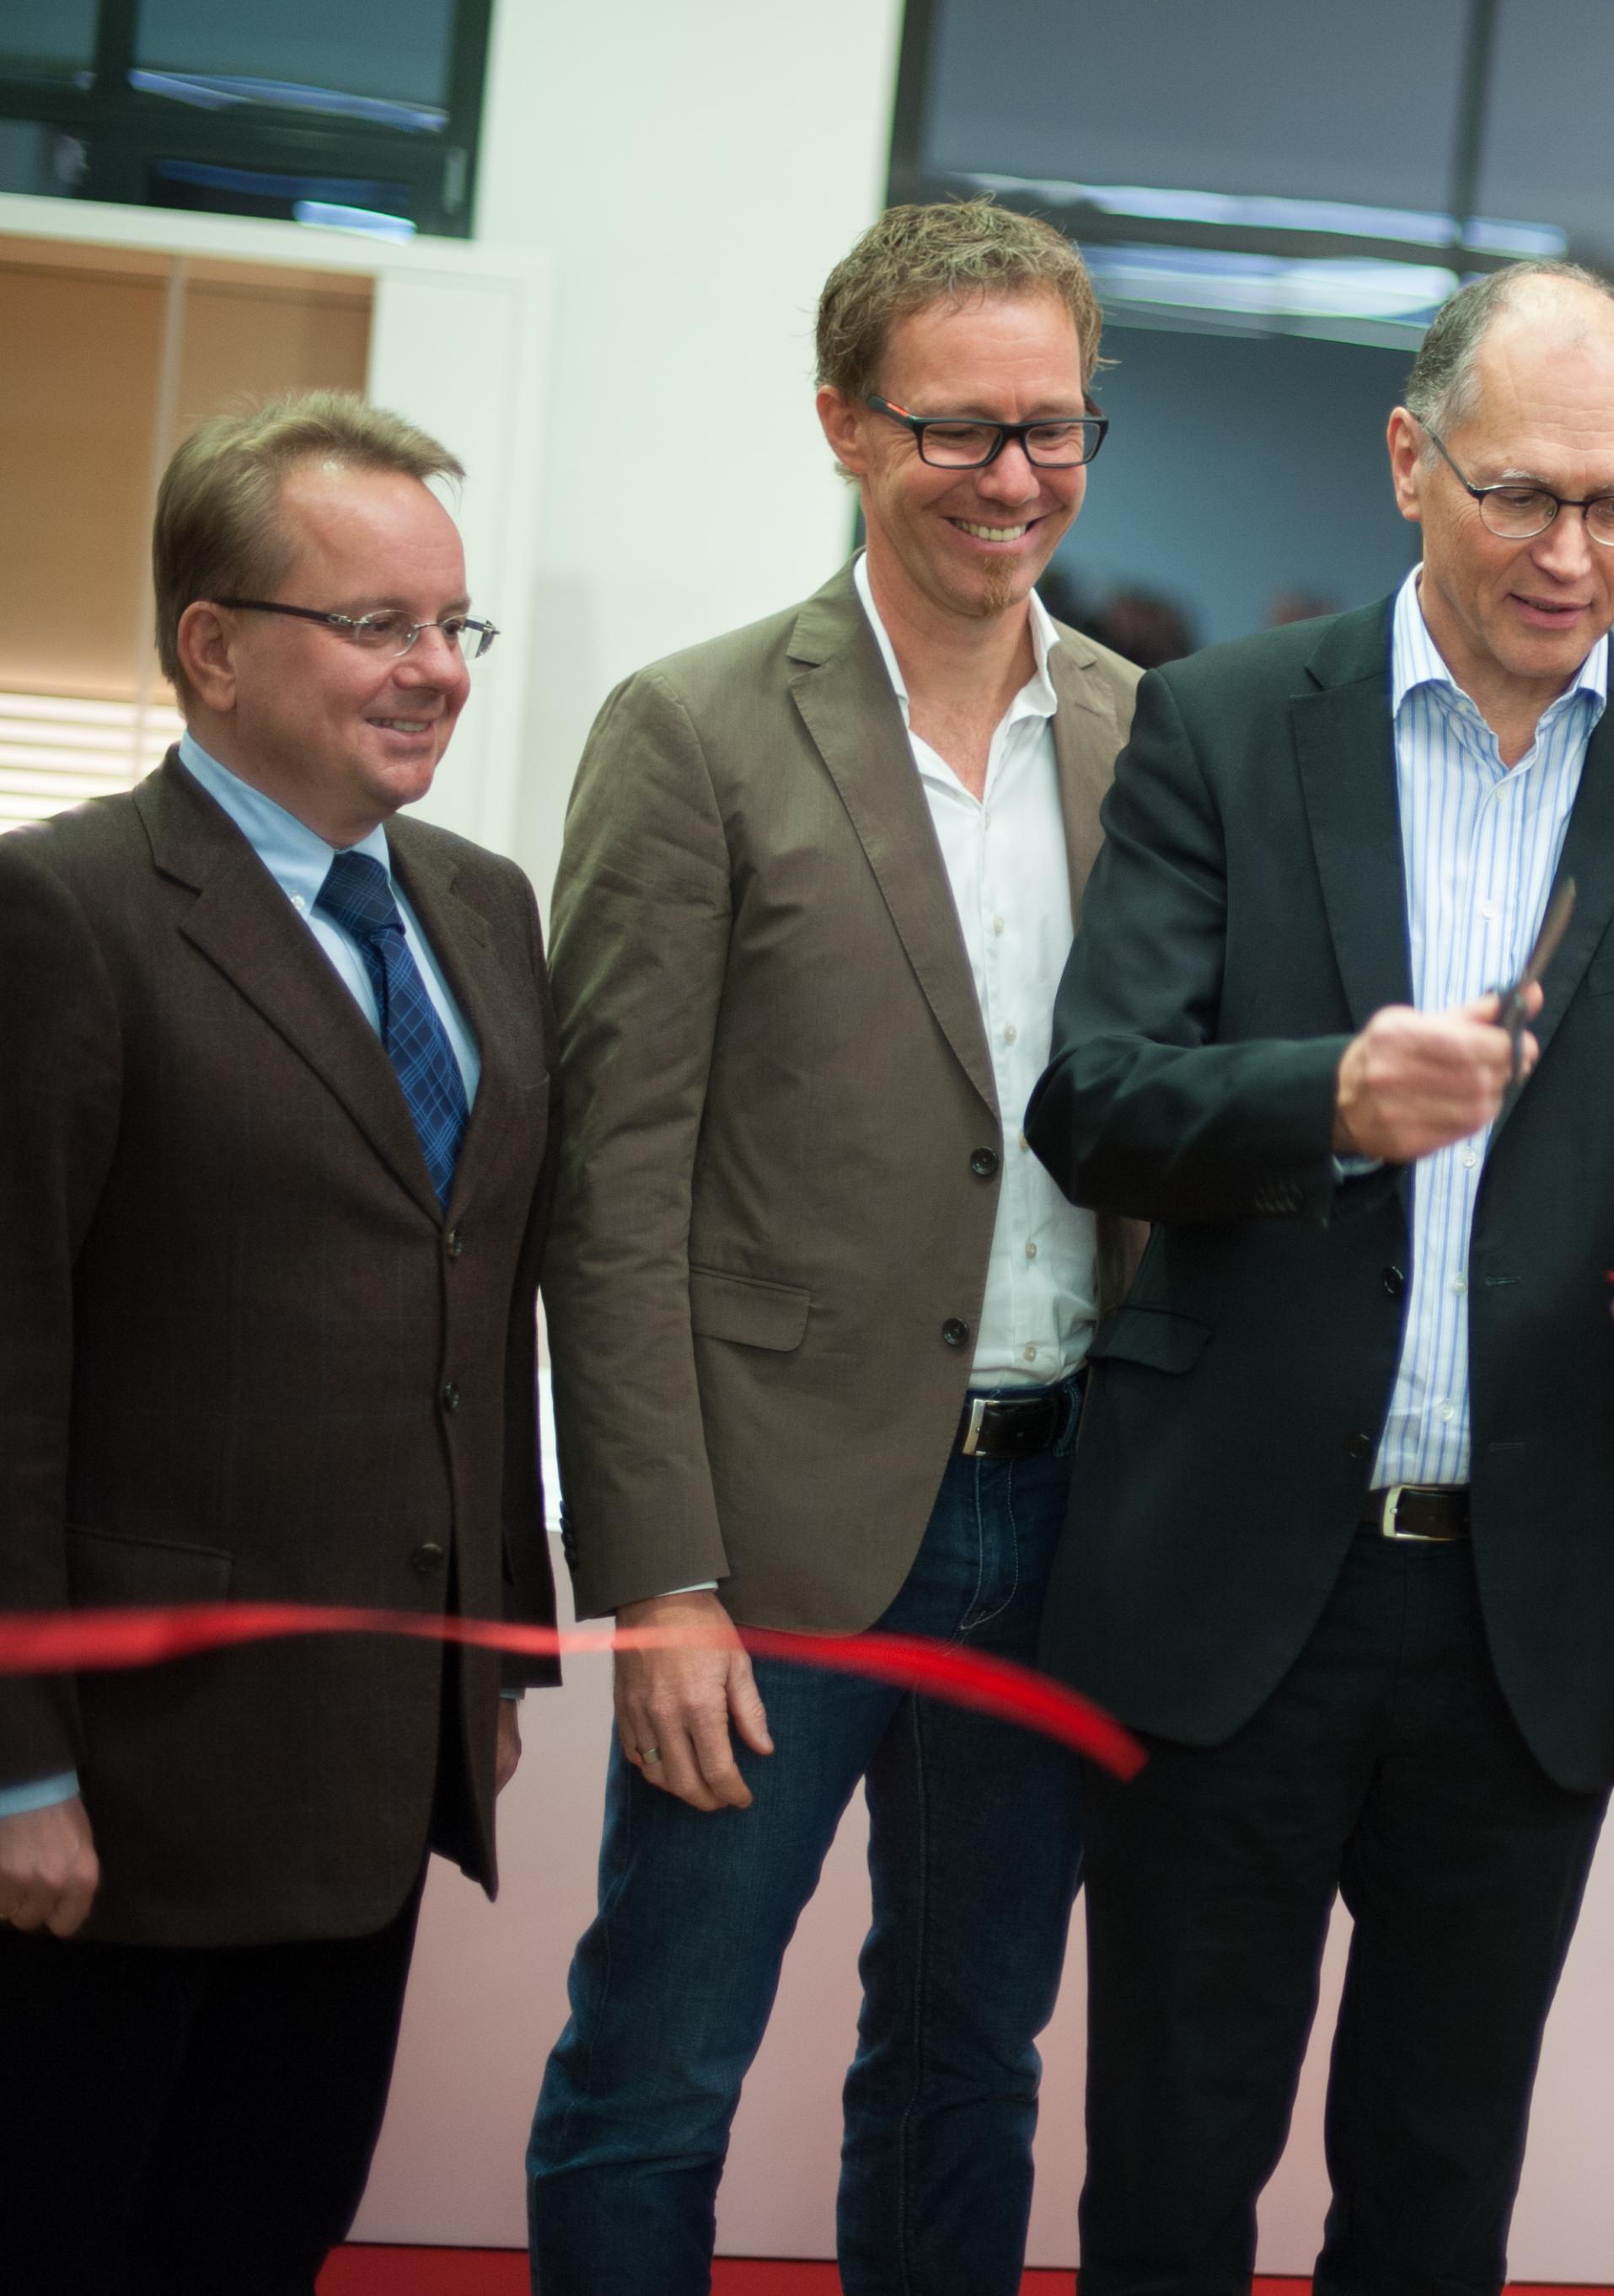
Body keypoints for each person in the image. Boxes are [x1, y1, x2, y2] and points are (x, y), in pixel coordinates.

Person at [1027, 258, 1614, 2296]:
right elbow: (1097, 1099)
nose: (1570, 554)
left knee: (1436, 2182)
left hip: (1529, 1595)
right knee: (1168, 2173)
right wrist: (1324, 1097)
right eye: (1520, 496)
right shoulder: (1226, 726)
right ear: (1409, 462)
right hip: (1231, 1575)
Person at [525, 200, 1143, 2293]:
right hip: (776, 1533)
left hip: (1064, 1520)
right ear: (844, 424)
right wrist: (661, 1577)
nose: (1011, 477)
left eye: (1051, 427)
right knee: (657, 2066)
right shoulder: (694, 730)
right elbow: (612, 1192)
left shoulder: (1146, 735)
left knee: (971, 2062)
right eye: (957, 427)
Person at [0, 392, 557, 2293]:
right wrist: (14, 1765)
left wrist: (496, 1645)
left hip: (372, 1770)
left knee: (266, 2237)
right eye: (378, 623)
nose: (436, 670)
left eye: (454, 625)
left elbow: (484, 1292)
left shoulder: (482, 907)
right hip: (124, 1793)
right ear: (213, 646)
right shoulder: (64, 912)